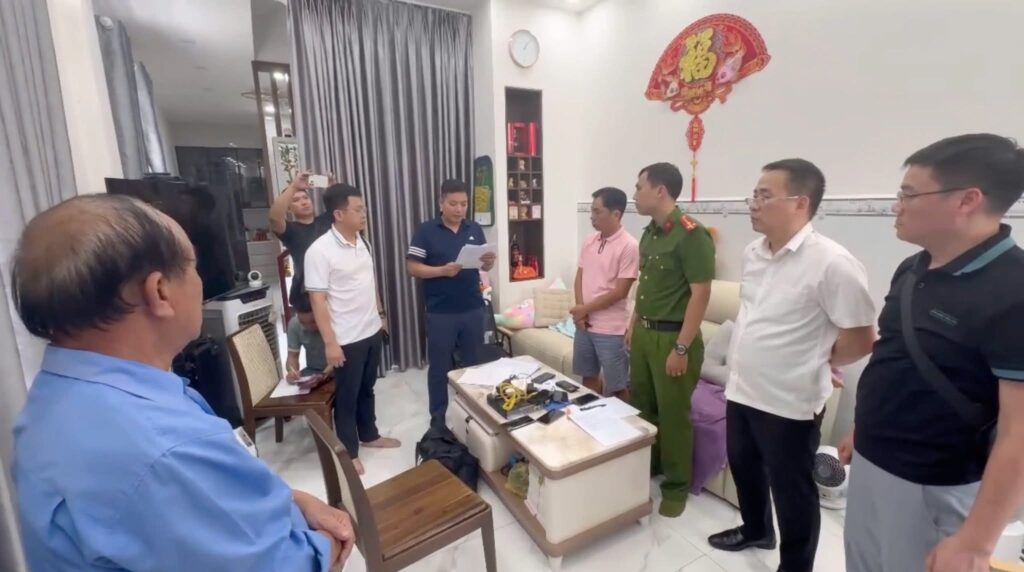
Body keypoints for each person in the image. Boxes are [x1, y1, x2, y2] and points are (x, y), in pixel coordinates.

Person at [10, 194, 354, 571]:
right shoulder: (165, 448)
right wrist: (327, 544)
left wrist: (294, 500)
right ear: (159, 291)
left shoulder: (56, 396)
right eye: (193, 266)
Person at [842, 134, 1024, 572]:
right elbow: (893, 358)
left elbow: (1018, 432)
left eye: (909, 195)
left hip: (932, 484)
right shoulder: (913, 267)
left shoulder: (1013, 291)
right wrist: (861, 426)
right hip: (870, 461)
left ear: (967, 200)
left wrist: (977, 541)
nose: (896, 207)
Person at [706, 159, 876, 572]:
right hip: (742, 388)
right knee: (745, 468)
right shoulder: (752, 253)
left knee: (792, 491)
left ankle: (795, 566)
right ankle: (756, 529)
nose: (753, 203)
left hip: (790, 402)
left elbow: (861, 338)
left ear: (800, 203)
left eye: (764, 195)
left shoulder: (833, 263)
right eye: (754, 194)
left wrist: (816, 357)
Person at [629, 162, 716, 517]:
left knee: (673, 415)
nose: (635, 194)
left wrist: (681, 347)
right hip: (644, 333)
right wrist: (633, 323)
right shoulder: (649, 233)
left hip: (672, 338)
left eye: (639, 187)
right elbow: (646, 286)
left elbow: (701, 294)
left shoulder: (691, 234)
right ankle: (648, 466)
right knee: (642, 406)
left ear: (660, 190)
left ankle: (677, 486)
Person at [305, 183, 400, 475]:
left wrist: (381, 316)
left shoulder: (362, 241)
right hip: (346, 337)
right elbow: (318, 301)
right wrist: (330, 343)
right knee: (347, 396)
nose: (364, 213)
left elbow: (369, 282)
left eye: (363, 208)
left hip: (371, 329)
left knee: (367, 388)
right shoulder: (319, 251)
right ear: (338, 214)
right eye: (358, 209)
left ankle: (369, 434)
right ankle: (348, 452)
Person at [406, 179, 497, 428]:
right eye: (453, 204)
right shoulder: (426, 231)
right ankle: (437, 417)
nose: (459, 209)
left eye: (464, 204)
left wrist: (488, 263)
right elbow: (412, 267)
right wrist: (441, 271)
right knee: (439, 368)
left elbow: (483, 265)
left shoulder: (474, 228)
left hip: (473, 308)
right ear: (441, 203)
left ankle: (473, 413)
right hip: (440, 312)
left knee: (474, 365)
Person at [570, 187, 639, 398]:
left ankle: (625, 420)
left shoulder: (629, 246)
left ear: (616, 214)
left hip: (611, 330)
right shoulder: (589, 240)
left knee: (618, 387)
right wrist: (581, 311)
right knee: (588, 378)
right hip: (584, 325)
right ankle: (592, 416)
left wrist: (584, 310)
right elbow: (580, 276)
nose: (592, 217)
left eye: (597, 211)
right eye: (591, 211)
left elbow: (620, 292)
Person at [269, 171, 332, 307]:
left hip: (335, 289)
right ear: (289, 209)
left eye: (305, 198)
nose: (303, 202)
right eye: (296, 200)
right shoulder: (290, 230)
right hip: (306, 295)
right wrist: (294, 186)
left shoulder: (326, 220)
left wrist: (332, 185)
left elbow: (344, 207)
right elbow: (274, 218)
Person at [286, 293, 330, 381]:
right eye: (303, 322)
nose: (308, 327)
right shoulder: (295, 324)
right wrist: (292, 372)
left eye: (313, 322)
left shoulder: (336, 321)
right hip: (312, 371)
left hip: (339, 370)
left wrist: (323, 376)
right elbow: (292, 356)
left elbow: (344, 356)